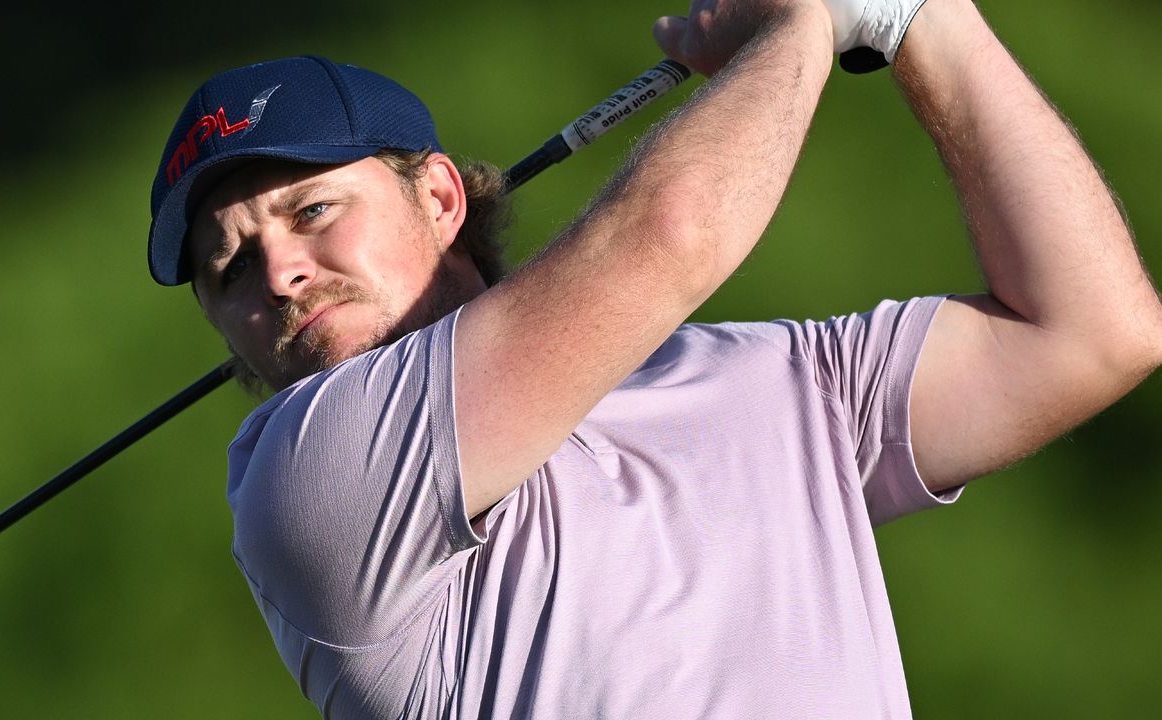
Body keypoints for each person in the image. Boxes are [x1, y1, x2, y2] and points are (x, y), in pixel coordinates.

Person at [146, 0, 1162, 716]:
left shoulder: (756, 383)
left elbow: (1088, 331)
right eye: (227, 269)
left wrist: (922, 20)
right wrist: (798, 24)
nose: (277, 271)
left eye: (311, 211)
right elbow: (673, 233)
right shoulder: (304, 478)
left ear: (441, 199)